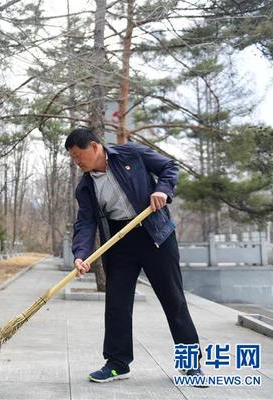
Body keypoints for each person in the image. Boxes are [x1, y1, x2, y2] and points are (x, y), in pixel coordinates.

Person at [65, 127, 204, 384]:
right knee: (117, 304)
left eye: (77, 155)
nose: (76, 161)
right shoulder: (85, 186)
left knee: (173, 299)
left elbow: (169, 167)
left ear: (94, 147)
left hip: (154, 234)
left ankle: (191, 364)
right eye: (72, 158)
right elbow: (85, 223)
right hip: (119, 241)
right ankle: (117, 364)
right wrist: (81, 254)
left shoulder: (131, 154)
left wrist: (162, 190)